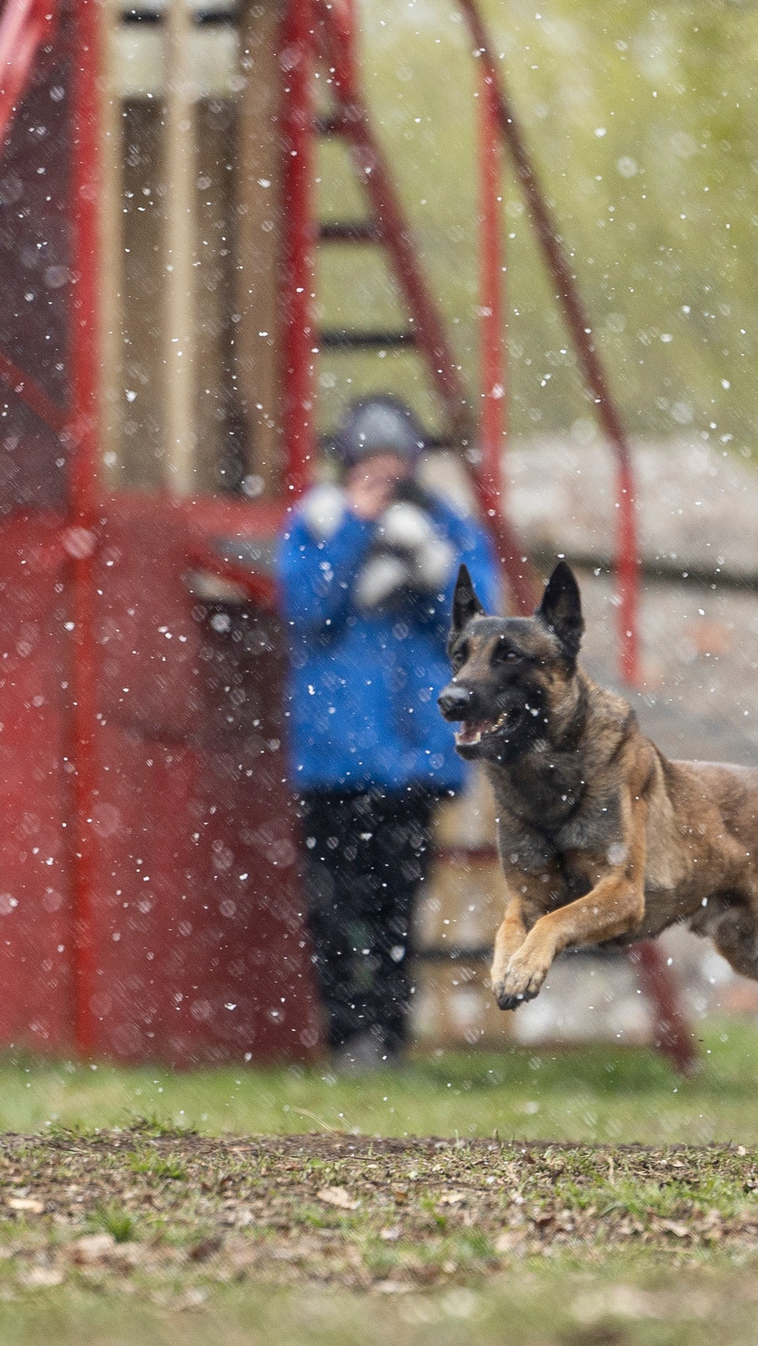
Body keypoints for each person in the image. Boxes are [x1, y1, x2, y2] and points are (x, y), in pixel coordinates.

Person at [277, 394, 502, 1068]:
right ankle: (347, 1035)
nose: (383, 479)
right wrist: (355, 531)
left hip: (411, 760)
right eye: (369, 467)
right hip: (335, 760)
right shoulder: (317, 523)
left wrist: (431, 566)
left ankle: (388, 1035)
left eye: (393, 466)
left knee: (397, 904)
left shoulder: (445, 527)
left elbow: (477, 626)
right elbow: (306, 606)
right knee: (333, 905)